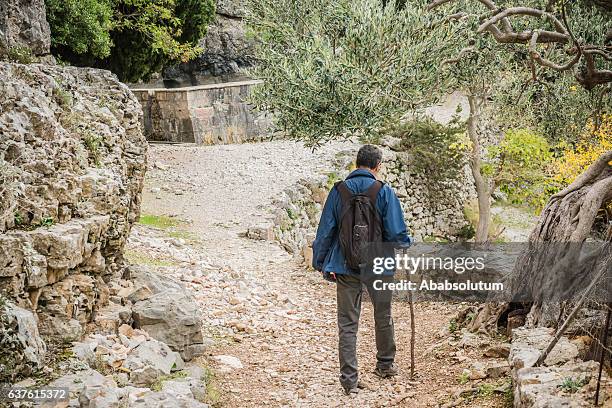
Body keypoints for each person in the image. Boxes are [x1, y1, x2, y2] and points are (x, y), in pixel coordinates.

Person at [312, 144, 413, 395]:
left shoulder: (339, 191)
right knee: (383, 314)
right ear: (377, 166)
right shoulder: (384, 191)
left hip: (344, 266)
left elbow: (326, 231)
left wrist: (320, 261)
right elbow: (397, 232)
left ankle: (349, 380)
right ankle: (385, 365)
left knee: (347, 324)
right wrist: (403, 244)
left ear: (357, 164)